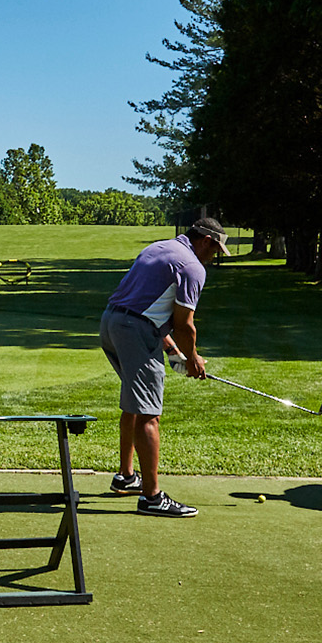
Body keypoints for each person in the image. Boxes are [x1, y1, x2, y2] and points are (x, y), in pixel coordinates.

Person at [99, 218, 227, 517]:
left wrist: (172, 351)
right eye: (215, 250)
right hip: (134, 331)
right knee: (149, 414)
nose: (214, 256)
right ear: (206, 240)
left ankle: (126, 476)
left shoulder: (158, 248)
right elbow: (185, 325)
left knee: (135, 403)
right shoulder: (193, 267)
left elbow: (143, 305)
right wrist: (192, 359)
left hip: (111, 323)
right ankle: (152, 497)